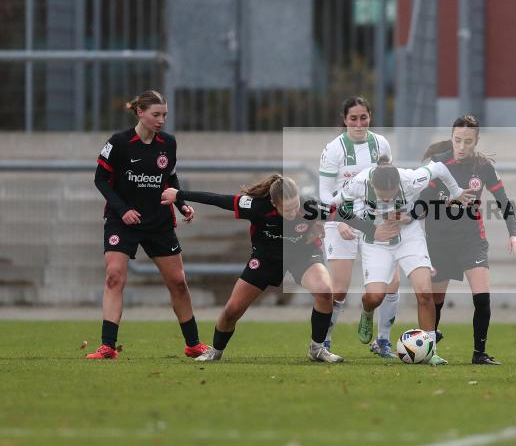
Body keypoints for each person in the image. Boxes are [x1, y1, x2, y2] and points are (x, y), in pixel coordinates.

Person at [161, 174, 391, 363]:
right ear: (274, 203)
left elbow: (342, 214)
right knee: (232, 310)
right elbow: (217, 198)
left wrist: (373, 231)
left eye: (295, 207)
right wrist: (180, 195)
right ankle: (216, 350)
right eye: (287, 209)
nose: (293, 212)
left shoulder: (309, 205)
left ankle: (317, 349)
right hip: (266, 258)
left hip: (302, 255)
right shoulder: (256, 206)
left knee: (324, 290)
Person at [89, 90, 209, 359]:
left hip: (158, 222)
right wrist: (123, 210)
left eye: (164, 115)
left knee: (178, 282)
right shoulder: (118, 143)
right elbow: (100, 180)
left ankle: (193, 344)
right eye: (156, 115)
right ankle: (108, 346)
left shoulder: (168, 143)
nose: (161, 120)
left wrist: (182, 203)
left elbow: (171, 179)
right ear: (139, 112)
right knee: (114, 276)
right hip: (123, 221)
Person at [333, 158, 475, 365]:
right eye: (383, 196)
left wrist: (455, 191)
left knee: (425, 293)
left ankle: (430, 351)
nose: (387, 200)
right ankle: (367, 312)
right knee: (374, 297)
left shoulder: (409, 178)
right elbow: (334, 207)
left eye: (392, 195)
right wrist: (370, 229)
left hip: (408, 236)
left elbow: (439, 168)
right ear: (373, 185)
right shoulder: (359, 182)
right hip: (376, 241)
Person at [419, 116, 516, 365]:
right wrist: (448, 201)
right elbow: (422, 201)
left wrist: (513, 233)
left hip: (471, 240)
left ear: (476, 141)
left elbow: (503, 201)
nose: (461, 146)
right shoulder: (438, 164)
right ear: (451, 138)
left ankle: (479, 353)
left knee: (482, 297)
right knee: (435, 302)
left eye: (468, 141)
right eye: (457, 140)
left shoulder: (483, 167)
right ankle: (429, 350)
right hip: (439, 240)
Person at [319, 97, 401, 358]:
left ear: (370, 117)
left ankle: (382, 341)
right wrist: (340, 220)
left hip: (374, 221)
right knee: (339, 288)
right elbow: (325, 193)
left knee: (393, 283)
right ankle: (324, 341)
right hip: (340, 221)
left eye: (363, 117)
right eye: (352, 118)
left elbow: (389, 181)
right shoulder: (333, 149)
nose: (358, 123)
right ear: (344, 120)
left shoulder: (381, 144)